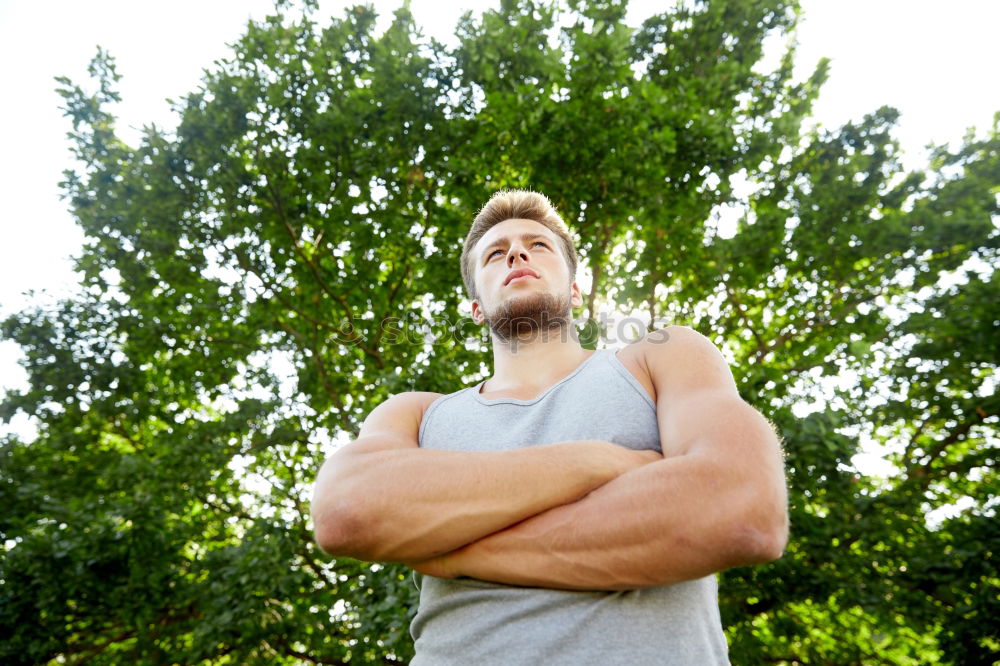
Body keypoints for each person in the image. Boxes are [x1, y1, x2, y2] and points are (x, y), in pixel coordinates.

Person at [311, 190, 788, 664]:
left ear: (575, 289)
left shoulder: (663, 357)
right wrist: (600, 461)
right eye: (495, 254)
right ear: (477, 308)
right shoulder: (415, 414)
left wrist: (455, 552)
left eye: (538, 245)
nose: (516, 253)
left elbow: (743, 506)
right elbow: (345, 512)